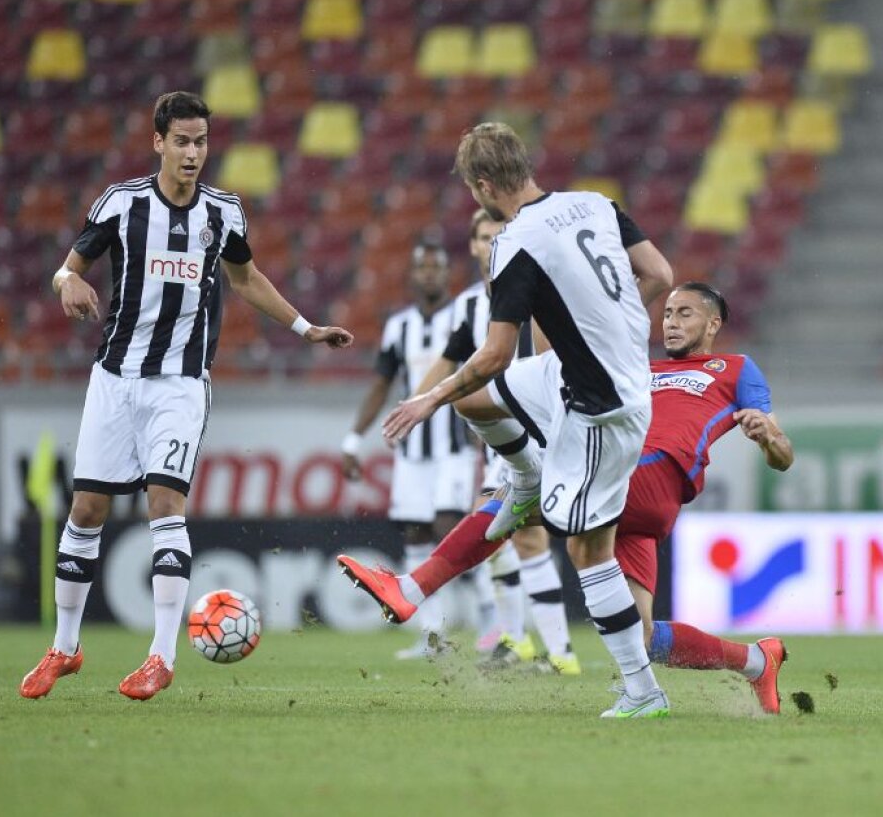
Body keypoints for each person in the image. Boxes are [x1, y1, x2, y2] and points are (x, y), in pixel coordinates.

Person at [20, 91, 353, 701]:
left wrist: (307, 328)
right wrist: (67, 281)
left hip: (179, 383)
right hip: (114, 379)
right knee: (86, 511)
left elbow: (246, 278)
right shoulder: (121, 205)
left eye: (201, 141)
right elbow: (67, 268)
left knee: (163, 506)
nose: (193, 153)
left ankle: (161, 656)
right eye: (182, 141)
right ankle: (65, 647)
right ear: (159, 142)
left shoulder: (223, 214)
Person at [339, 282, 794, 714]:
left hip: (652, 476)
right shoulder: (642, 369)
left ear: (713, 324)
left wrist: (768, 436)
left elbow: (783, 457)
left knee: (518, 497)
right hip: (626, 488)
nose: (671, 323)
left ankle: (411, 588)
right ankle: (756, 661)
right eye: (668, 313)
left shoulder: (735, 368)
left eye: (685, 314)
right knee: (641, 635)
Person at [370, 121, 674, 717]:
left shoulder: (515, 244)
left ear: (483, 184)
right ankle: (526, 478)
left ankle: (643, 692)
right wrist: (612, 326)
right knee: (476, 401)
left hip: (603, 409)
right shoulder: (595, 203)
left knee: (589, 553)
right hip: (578, 374)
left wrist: (425, 399)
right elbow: (660, 275)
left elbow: (491, 356)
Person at [411, 209, 580, 674]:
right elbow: (449, 360)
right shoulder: (469, 306)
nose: (489, 245)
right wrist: (415, 404)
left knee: (521, 536)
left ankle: (558, 652)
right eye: (483, 238)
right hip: (496, 435)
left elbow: (551, 357)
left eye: (497, 237)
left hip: (535, 426)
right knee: (498, 535)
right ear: (471, 245)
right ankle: (519, 640)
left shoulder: (532, 285)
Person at [340, 240, 477, 660]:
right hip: (413, 449)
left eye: (438, 266)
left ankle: (491, 627)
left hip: (456, 443)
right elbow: (382, 383)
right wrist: (352, 440)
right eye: (424, 267)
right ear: (413, 275)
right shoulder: (399, 326)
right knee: (416, 531)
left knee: (450, 527)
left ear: (447, 274)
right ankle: (433, 636)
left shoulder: (466, 314)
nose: (430, 273)